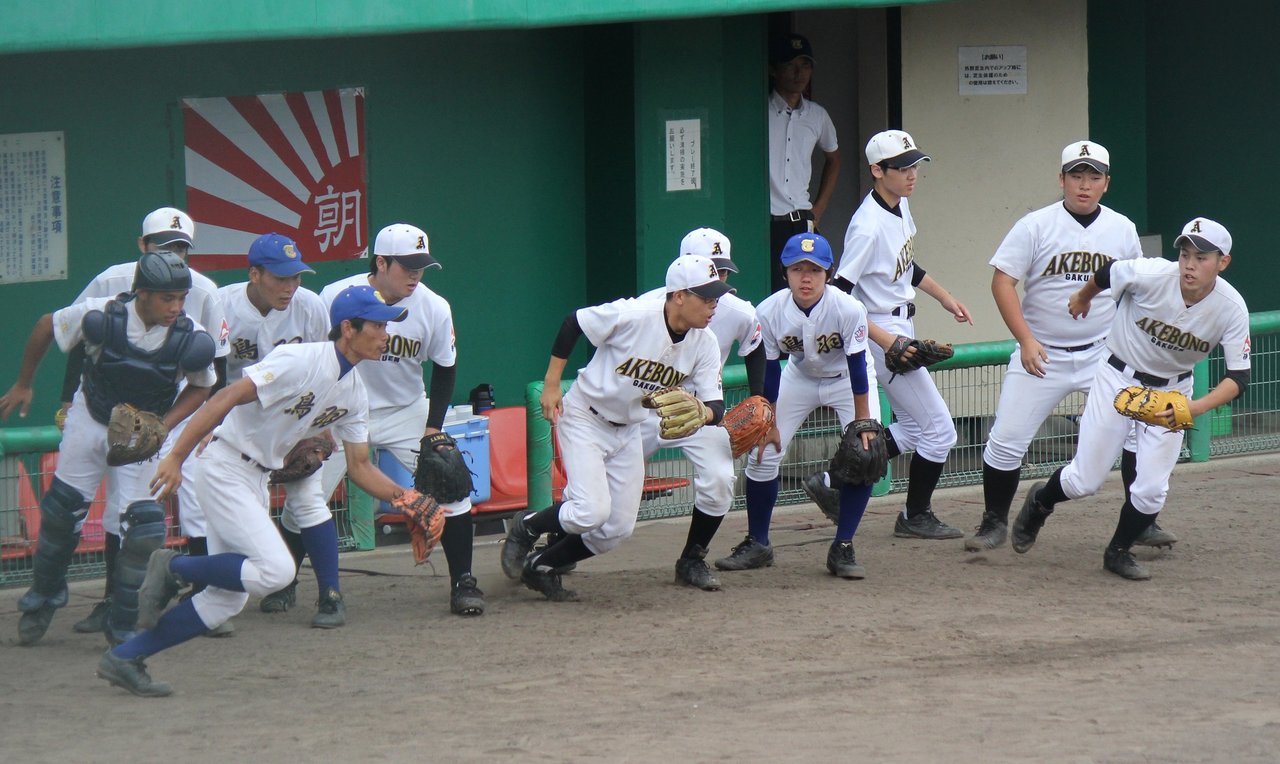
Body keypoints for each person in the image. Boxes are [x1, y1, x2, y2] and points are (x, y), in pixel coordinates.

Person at [96, 285, 417, 697]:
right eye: (378, 324)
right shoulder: (300, 360)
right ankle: (173, 568)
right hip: (225, 465)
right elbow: (226, 396)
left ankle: (125, 657)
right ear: (349, 329)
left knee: (225, 601)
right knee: (276, 571)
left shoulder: (354, 392)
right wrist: (176, 455)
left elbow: (360, 466)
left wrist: (408, 499)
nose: (386, 334)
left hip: (256, 477)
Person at [1011, 217, 1249, 580]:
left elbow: (1238, 377)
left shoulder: (1231, 308)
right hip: (1117, 377)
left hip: (1174, 390)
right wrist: (1082, 296)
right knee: (1084, 481)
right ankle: (1041, 502)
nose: (1190, 263)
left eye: (1202, 257)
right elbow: (1108, 272)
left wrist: (1191, 408)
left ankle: (1117, 552)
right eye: (1185, 254)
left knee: (1152, 491)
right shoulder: (1153, 274)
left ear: (1223, 262)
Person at [0, 251, 216, 646]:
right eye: (167, 298)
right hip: (92, 416)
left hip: (145, 432)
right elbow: (46, 324)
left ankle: (122, 621)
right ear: (143, 292)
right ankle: (44, 597)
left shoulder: (190, 336)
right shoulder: (104, 314)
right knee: (62, 513)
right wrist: (24, 383)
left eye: (181, 298)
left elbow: (203, 386)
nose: (176, 307)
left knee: (145, 529)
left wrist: (162, 427)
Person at [966, 140, 1164, 552]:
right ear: (1061, 179)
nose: (1084, 185)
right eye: (1076, 175)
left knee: (1137, 432)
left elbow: (1137, 287)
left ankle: (1141, 522)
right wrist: (1025, 340)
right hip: (1043, 352)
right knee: (1005, 441)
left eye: (1093, 176)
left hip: (1103, 354)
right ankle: (994, 521)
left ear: (1106, 183)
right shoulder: (1035, 225)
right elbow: (1002, 282)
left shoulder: (1121, 228)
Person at [500, 254, 728, 601]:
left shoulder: (705, 343)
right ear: (679, 295)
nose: (714, 305)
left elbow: (716, 406)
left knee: (616, 530)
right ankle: (528, 525)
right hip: (585, 417)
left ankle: (542, 566)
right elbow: (573, 322)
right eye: (707, 296)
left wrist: (703, 413)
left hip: (628, 431)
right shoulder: (635, 315)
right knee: (590, 511)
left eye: (717, 297)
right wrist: (551, 382)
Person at [63, 207, 232, 638]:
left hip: (185, 411)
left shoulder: (205, 290)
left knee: (195, 499)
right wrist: (67, 399)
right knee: (125, 510)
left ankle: (202, 597)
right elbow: (79, 340)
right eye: (163, 245)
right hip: (121, 413)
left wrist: (213, 420)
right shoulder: (111, 281)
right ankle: (112, 601)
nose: (174, 253)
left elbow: (220, 361)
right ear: (143, 246)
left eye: (181, 247)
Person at [317, 223, 481, 616]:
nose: (415, 274)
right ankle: (287, 581)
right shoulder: (336, 296)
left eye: (421, 266)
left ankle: (463, 581)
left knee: (453, 485)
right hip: (341, 410)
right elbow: (319, 358)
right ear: (381, 262)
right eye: (406, 265)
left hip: (406, 409)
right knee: (307, 498)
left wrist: (432, 427)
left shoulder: (434, 306)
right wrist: (317, 419)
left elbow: (446, 366)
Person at [823, 129, 972, 540]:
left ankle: (831, 481)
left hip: (901, 323)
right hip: (879, 334)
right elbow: (839, 298)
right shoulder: (867, 226)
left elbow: (907, 266)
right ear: (877, 170)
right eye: (902, 167)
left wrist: (945, 297)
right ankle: (915, 516)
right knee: (941, 431)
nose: (912, 175)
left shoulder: (899, 206)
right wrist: (885, 340)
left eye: (914, 166)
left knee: (910, 428)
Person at [714, 232, 882, 578]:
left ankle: (843, 547)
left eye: (815, 270)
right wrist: (770, 419)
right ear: (785, 272)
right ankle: (758, 542)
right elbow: (771, 368)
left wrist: (863, 423)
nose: (806, 278)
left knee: (866, 454)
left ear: (829, 274)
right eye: (797, 269)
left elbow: (856, 366)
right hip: (799, 377)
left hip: (848, 381)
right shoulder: (770, 310)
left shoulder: (848, 308)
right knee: (763, 453)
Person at [217, 233, 339, 625]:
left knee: (307, 497)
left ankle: (330, 595)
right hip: (240, 422)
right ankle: (215, 590)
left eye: (296, 277)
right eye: (280, 278)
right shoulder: (222, 306)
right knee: (236, 511)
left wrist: (323, 426)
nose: (290, 287)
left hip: (296, 417)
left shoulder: (310, 305)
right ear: (254, 274)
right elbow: (213, 379)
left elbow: (325, 368)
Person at [634, 228, 766, 590]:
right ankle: (557, 537)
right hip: (646, 407)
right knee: (608, 478)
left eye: (724, 271)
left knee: (720, 480)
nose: (719, 280)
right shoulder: (650, 306)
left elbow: (756, 346)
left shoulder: (737, 310)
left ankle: (692, 559)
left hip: (705, 407)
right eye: (712, 269)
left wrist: (759, 398)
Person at [768, 32, 841, 293]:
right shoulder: (759, 110)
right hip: (765, 220)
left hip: (800, 218)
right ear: (773, 69)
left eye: (805, 65)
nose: (799, 73)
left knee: (805, 289)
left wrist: (818, 209)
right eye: (790, 65)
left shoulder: (817, 115)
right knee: (772, 291)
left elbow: (834, 157)